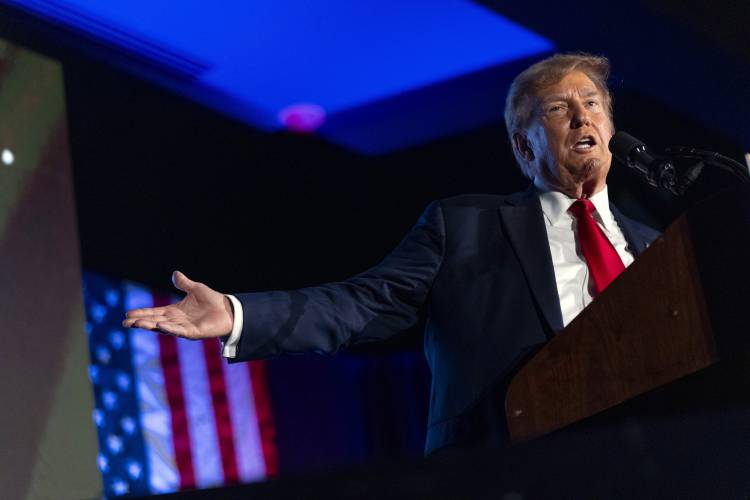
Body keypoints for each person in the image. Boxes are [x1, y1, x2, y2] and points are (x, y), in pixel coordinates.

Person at [123, 53, 659, 454]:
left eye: (591, 105)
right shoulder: (466, 227)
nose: (581, 117)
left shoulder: (659, 249)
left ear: (611, 128)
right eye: (559, 110)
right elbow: (361, 304)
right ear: (524, 146)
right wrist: (240, 314)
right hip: (509, 463)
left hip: (654, 457)